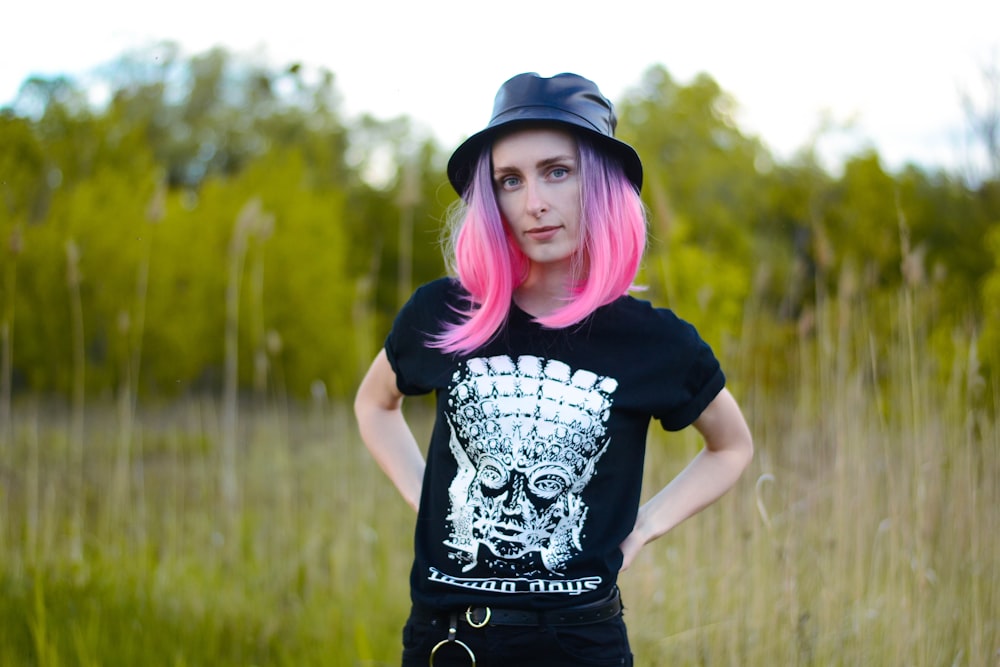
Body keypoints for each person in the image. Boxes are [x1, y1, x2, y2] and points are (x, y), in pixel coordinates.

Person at [354, 72, 753, 667]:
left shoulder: (653, 340)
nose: (533, 202)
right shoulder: (445, 312)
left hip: (578, 643)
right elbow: (373, 404)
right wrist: (426, 498)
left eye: (556, 171)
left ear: (601, 184)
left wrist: (644, 528)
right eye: (509, 180)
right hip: (450, 641)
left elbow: (732, 446)